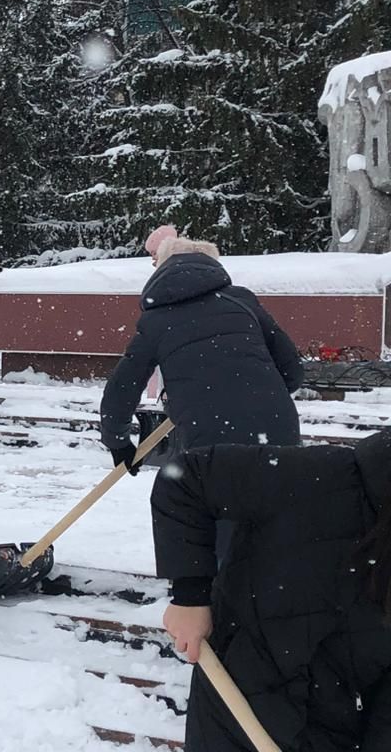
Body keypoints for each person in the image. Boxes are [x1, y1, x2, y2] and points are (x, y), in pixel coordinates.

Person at [152, 432, 391, 750]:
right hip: (237, 700)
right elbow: (185, 480)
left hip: (336, 728)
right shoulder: (315, 477)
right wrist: (190, 597)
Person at [99, 237, 304, 473]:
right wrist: (257, 397)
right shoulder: (242, 302)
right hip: (278, 428)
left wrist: (118, 442)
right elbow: (292, 371)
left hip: (208, 438)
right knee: (276, 505)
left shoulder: (156, 320)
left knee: (221, 505)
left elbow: (124, 386)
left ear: (163, 271)